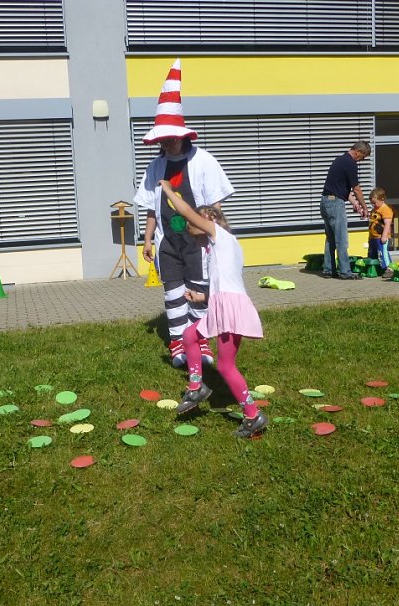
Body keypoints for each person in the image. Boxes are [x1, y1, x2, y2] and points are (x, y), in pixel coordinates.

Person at [134, 59, 234, 367]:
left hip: (197, 241)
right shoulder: (155, 166)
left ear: (182, 135)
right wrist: (147, 240)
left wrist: (216, 236)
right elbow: (151, 206)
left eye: (171, 138)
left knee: (198, 289)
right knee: (173, 291)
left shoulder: (204, 161)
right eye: (163, 140)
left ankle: (200, 340)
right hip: (168, 242)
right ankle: (178, 341)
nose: (167, 143)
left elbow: (215, 206)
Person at [158, 179, 267, 439]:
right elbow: (227, 282)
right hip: (223, 304)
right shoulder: (222, 245)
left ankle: (253, 415)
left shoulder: (219, 235)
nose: (190, 226)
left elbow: (186, 211)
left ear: (210, 219)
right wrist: (202, 296)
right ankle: (196, 386)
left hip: (230, 308)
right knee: (189, 335)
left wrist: (168, 192)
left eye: (195, 222)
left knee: (226, 366)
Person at [320, 141, 371, 279]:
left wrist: (355, 204)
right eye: (363, 157)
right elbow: (356, 189)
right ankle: (345, 272)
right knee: (341, 239)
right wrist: (365, 208)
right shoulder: (350, 163)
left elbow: (342, 189)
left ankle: (328, 269)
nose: (361, 160)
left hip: (325, 202)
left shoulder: (339, 160)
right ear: (358, 151)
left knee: (331, 238)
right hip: (335, 204)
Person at [367, 187, 393, 276]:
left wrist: (384, 236)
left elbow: (387, 224)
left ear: (382, 199)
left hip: (381, 237)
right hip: (373, 237)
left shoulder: (385, 209)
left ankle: (389, 268)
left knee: (383, 253)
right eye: (372, 203)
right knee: (373, 253)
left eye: (374, 203)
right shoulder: (375, 209)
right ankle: (376, 268)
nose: (373, 205)